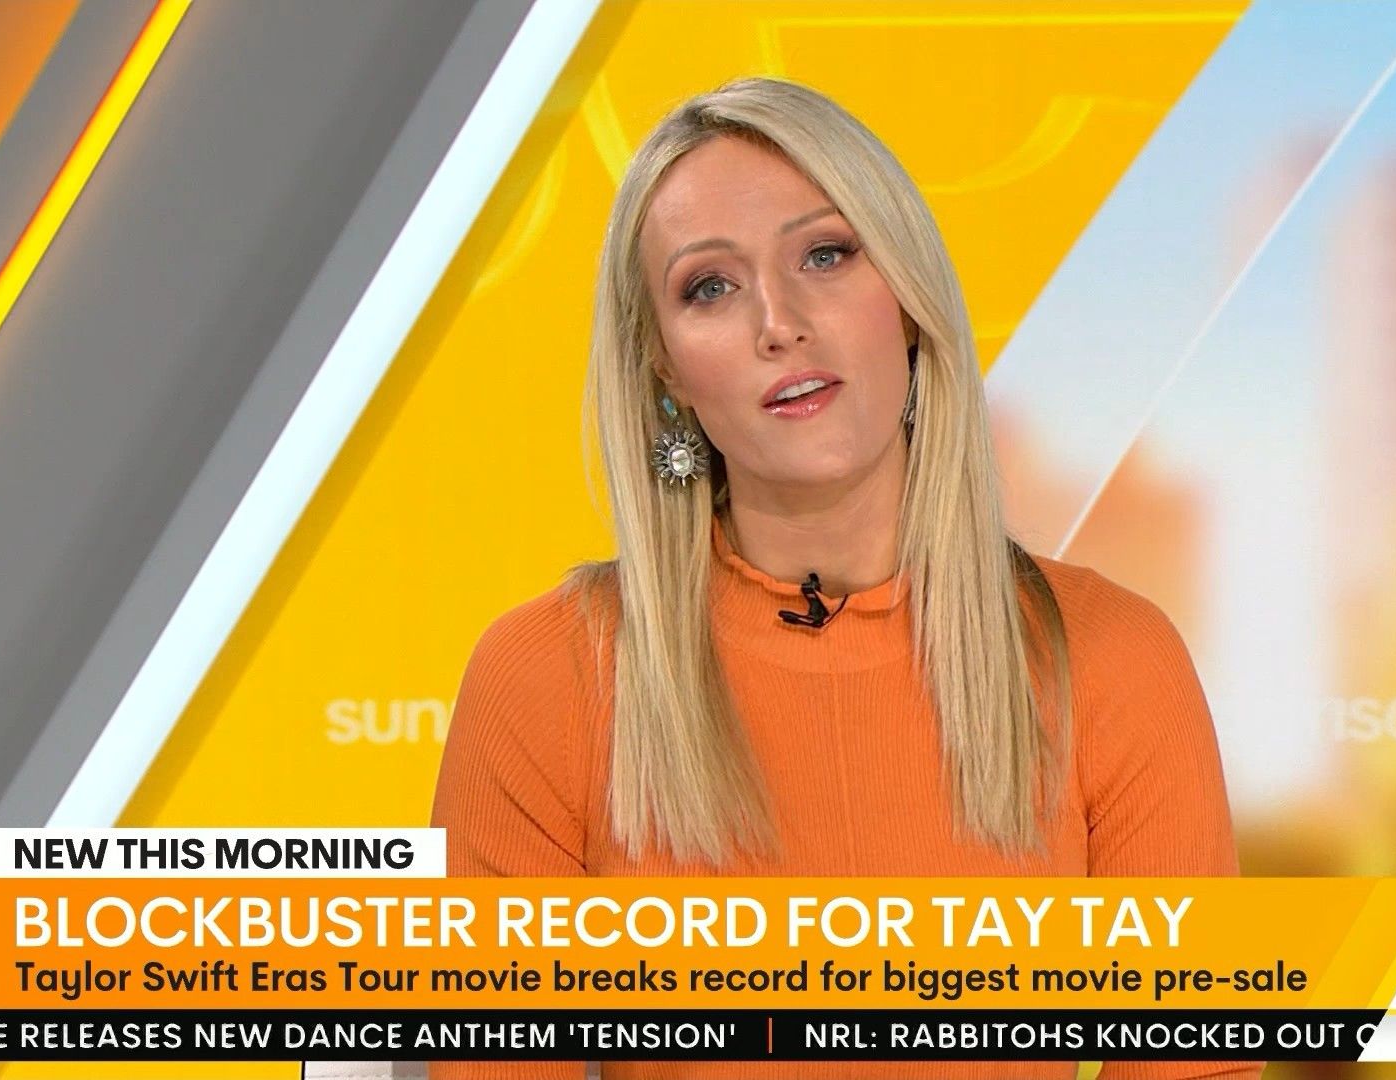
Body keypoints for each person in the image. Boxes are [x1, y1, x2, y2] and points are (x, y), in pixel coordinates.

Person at [429, 75, 1253, 1080]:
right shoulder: (548, 677)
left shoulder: (1115, 660)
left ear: (905, 298)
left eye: (825, 254)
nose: (779, 323)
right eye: (710, 287)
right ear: (666, 371)